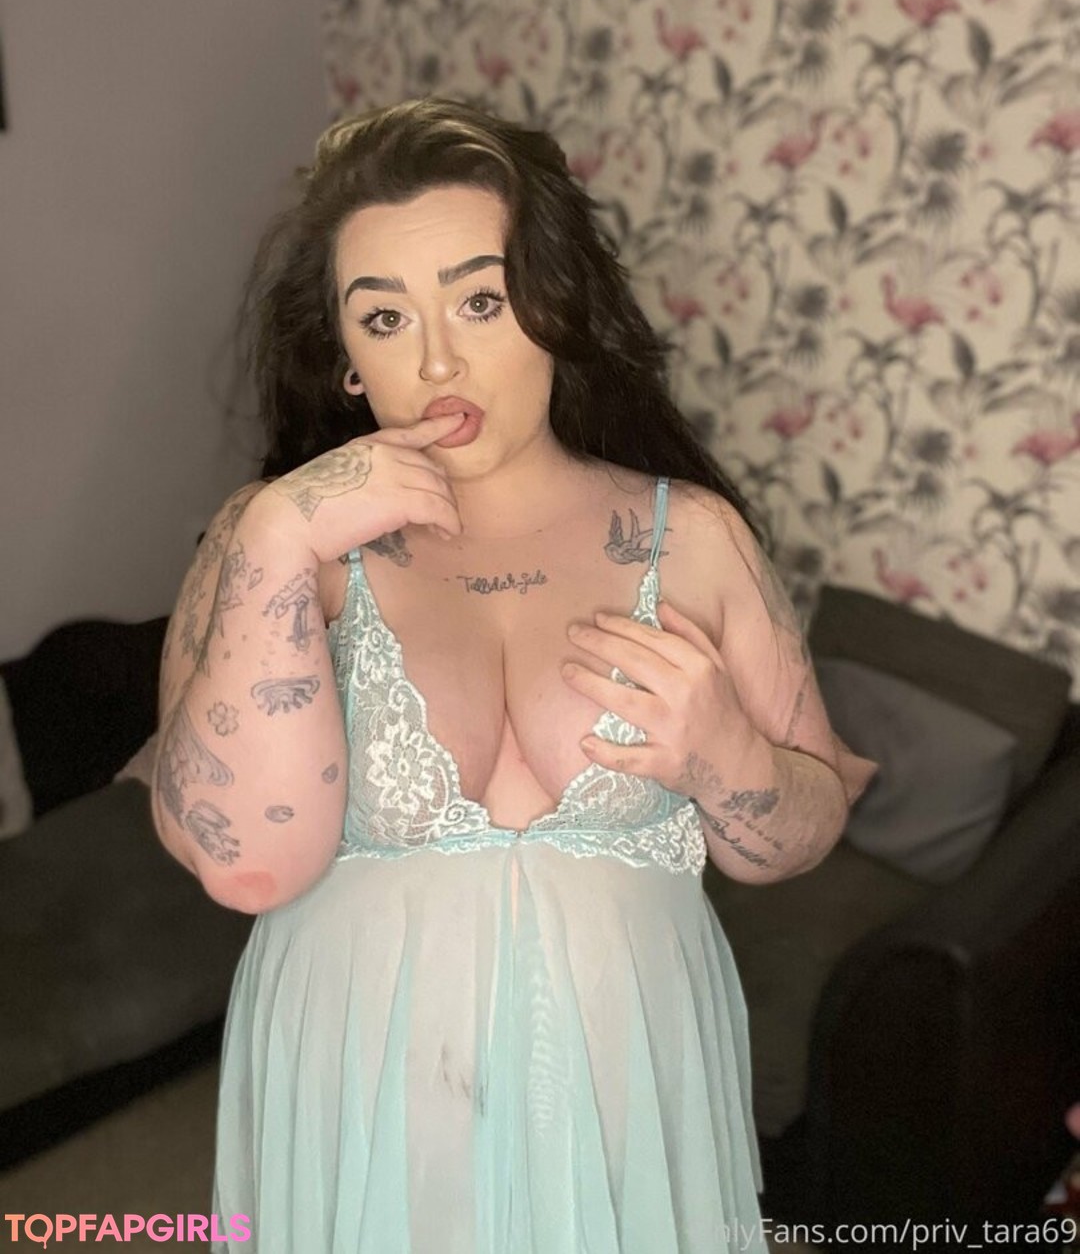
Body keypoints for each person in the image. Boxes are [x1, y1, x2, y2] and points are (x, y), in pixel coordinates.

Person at [151, 96, 878, 1253]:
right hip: (364, 1107)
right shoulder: (273, 543)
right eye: (384, 317)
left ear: (553, 306)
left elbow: (797, 831)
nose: (436, 358)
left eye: (479, 300)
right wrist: (278, 544)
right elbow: (244, 864)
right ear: (345, 359)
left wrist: (725, 752)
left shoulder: (693, 539)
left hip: (626, 1102)